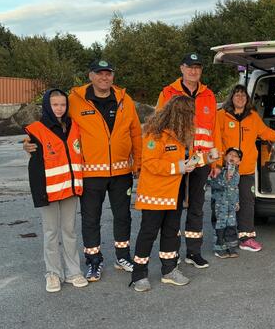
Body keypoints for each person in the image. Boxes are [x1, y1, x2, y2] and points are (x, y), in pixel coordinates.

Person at [23, 60, 142, 282]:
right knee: (90, 218)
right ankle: (93, 260)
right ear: (90, 76)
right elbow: (52, 125)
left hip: (121, 172)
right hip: (90, 173)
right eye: (99, 74)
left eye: (108, 74)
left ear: (112, 77)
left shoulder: (125, 101)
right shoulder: (75, 101)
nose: (104, 78)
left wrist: (139, 161)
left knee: (123, 216)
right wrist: (29, 142)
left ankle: (122, 256)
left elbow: (135, 133)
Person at [156, 53, 221, 270]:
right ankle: (170, 252)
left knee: (196, 206)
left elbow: (214, 130)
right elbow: (159, 125)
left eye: (197, 68)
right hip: (176, 160)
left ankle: (194, 252)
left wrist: (215, 161)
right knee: (173, 207)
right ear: (181, 68)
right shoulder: (168, 92)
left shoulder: (209, 95)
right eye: (189, 67)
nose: (194, 71)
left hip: (201, 160)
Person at [131, 96, 197, 292]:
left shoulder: (182, 134)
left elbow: (184, 161)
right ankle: (139, 274)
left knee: (172, 232)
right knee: (148, 233)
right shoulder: (155, 134)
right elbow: (150, 163)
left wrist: (197, 161)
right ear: (179, 115)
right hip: (155, 193)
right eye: (189, 115)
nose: (192, 119)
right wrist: (179, 166)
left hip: (174, 192)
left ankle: (169, 270)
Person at [25, 89, 88, 292]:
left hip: (70, 190)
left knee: (69, 231)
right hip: (49, 191)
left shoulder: (75, 126)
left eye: (63, 104)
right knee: (51, 232)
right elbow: (34, 166)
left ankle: (73, 272)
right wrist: (39, 194)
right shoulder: (36, 130)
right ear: (46, 106)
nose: (60, 108)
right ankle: (53, 273)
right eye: (55, 105)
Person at [217, 85, 275, 251]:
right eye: (237, 95)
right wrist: (217, 163)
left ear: (247, 99)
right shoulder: (221, 116)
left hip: (246, 170)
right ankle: (221, 240)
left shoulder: (253, 117)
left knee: (247, 203)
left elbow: (265, 132)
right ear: (232, 97)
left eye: (243, 96)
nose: (240, 98)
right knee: (224, 204)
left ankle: (246, 237)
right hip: (226, 169)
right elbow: (216, 140)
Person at [210, 147, 243, 259]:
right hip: (220, 205)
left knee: (231, 225)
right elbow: (215, 185)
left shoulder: (237, 174)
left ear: (239, 162)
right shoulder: (219, 172)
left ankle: (230, 247)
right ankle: (219, 248)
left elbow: (236, 189)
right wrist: (226, 177)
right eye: (230, 155)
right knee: (220, 225)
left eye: (235, 156)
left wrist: (237, 202)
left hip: (231, 205)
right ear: (225, 158)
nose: (232, 157)